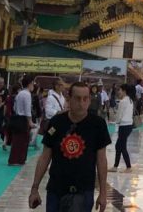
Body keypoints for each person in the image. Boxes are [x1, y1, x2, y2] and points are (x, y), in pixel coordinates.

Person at [28, 82, 111, 212]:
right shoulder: (56, 122)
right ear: (69, 99)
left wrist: (103, 193)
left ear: (89, 100)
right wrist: (34, 189)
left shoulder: (98, 125)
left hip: (84, 191)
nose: (82, 103)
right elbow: (45, 157)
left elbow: (101, 160)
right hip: (56, 189)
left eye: (85, 99)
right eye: (77, 98)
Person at [108, 84, 135, 173]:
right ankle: (115, 166)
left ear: (124, 91)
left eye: (120, 90)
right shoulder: (130, 100)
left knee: (122, 147)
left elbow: (119, 116)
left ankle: (128, 167)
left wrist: (115, 122)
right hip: (129, 125)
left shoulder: (123, 101)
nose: (119, 92)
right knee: (118, 146)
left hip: (124, 126)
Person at [9, 76, 35, 165]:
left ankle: (14, 159)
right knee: (23, 140)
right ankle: (20, 160)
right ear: (29, 84)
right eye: (32, 84)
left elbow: (14, 107)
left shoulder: (19, 93)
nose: (33, 86)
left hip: (17, 117)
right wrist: (30, 122)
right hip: (23, 119)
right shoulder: (27, 94)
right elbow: (27, 110)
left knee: (17, 140)